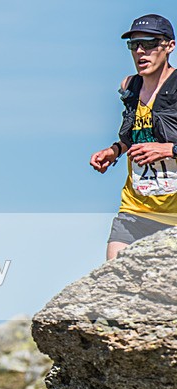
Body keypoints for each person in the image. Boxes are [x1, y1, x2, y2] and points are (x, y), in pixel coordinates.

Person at [90, 14, 177, 260]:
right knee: (114, 276)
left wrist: (169, 150)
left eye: (149, 43)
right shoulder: (130, 87)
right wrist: (115, 150)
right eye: (134, 45)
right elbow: (135, 134)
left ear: (170, 46)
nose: (140, 51)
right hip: (135, 210)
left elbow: (163, 145)